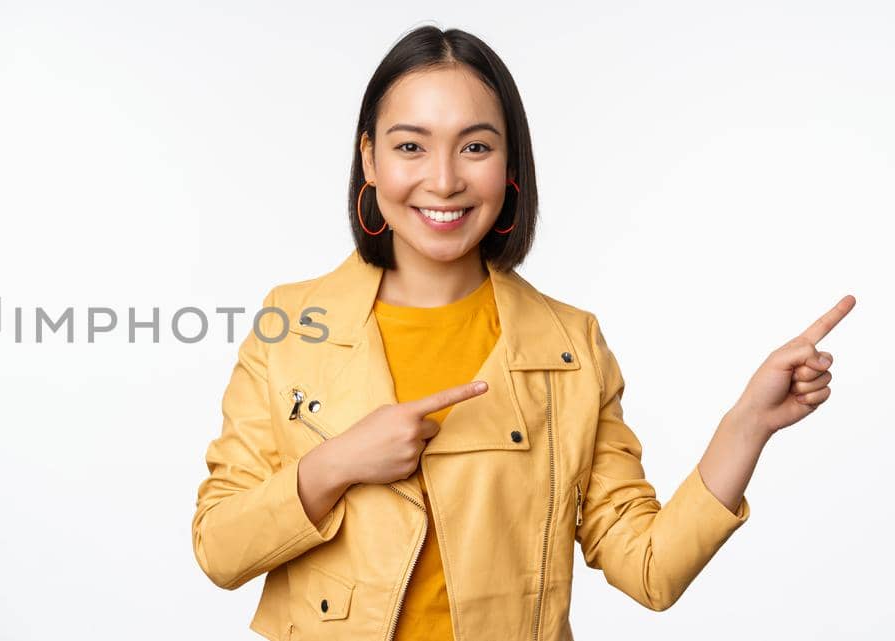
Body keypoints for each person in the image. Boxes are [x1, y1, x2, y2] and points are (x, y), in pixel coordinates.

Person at [189, 25, 854, 641]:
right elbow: (219, 549)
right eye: (410, 146)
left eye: (475, 146)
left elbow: (648, 569)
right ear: (369, 158)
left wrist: (747, 424)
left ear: (510, 166)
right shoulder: (290, 326)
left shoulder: (571, 346)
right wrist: (334, 464)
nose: (444, 179)